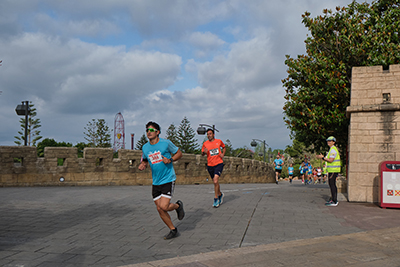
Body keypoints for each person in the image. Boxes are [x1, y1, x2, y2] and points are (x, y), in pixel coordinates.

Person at [138, 121, 185, 239]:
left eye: (152, 130)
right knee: (159, 208)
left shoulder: (165, 143)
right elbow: (144, 159)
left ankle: (178, 206)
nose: (149, 132)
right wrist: (143, 164)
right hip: (156, 181)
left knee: (164, 206)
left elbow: (179, 153)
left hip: (168, 179)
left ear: (158, 132)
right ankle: (173, 230)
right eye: (147, 130)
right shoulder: (145, 147)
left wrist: (170, 160)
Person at [202, 128, 226, 208]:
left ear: (213, 134)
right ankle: (220, 194)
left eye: (210, 134)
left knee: (215, 180)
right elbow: (202, 153)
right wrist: (204, 152)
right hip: (210, 165)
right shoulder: (205, 144)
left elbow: (224, 147)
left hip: (219, 163)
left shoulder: (218, 141)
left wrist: (223, 154)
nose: (209, 135)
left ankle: (216, 198)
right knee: (215, 182)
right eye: (208, 134)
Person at [317, 136, 341, 206]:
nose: (328, 142)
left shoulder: (333, 150)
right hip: (331, 170)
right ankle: (333, 199)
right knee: (331, 184)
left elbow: (331, 160)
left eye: (330, 141)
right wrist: (323, 158)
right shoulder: (331, 149)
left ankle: (334, 200)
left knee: (332, 184)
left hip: (334, 170)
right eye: (328, 141)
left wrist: (323, 157)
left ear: (334, 142)